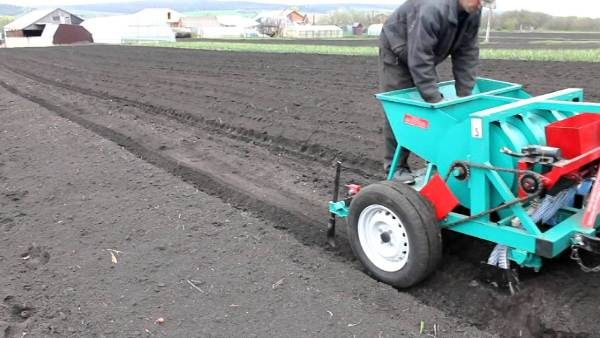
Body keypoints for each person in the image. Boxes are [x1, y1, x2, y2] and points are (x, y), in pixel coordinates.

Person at [379, 0, 483, 183]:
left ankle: (437, 159)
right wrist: (434, 99)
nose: (481, 4)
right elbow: (420, 56)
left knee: (432, 96)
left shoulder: (472, 10)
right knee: (402, 108)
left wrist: (466, 98)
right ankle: (396, 168)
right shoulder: (433, 8)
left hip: (425, 51)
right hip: (398, 50)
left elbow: (467, 53)